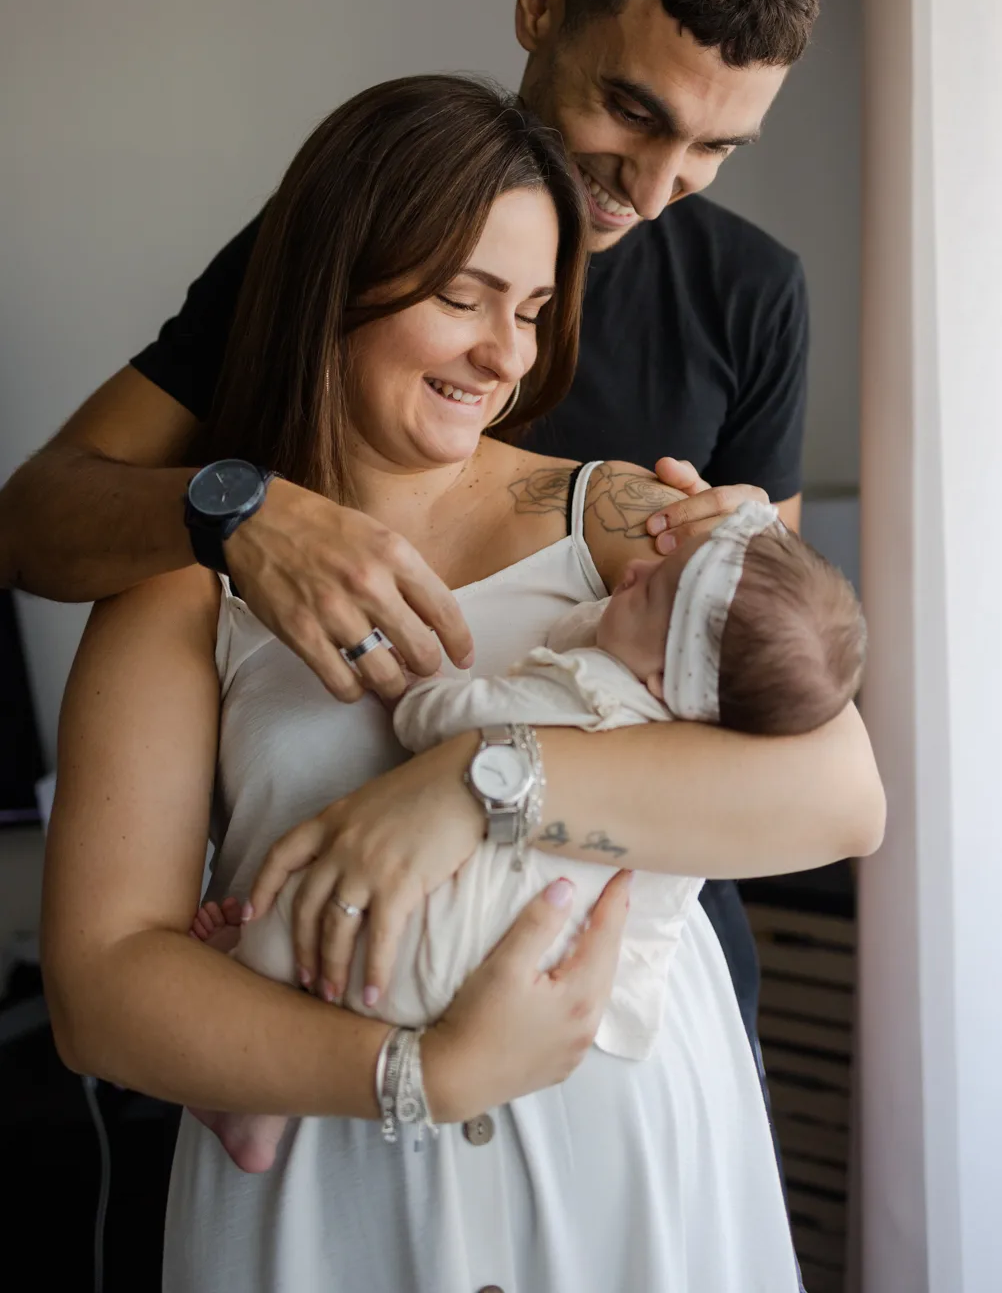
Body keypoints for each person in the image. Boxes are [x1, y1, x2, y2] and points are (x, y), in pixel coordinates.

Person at [5, 0, 822, 1136]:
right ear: (537, 4)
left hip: (629, 982)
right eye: (632, 112)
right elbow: (35, 519)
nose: (656, 189)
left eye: (716, 149)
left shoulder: (748, 300)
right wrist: (240, 511)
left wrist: (474, 780)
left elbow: (764, 694)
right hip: (328, 1011)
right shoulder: (333, 247)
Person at [41, 76, 883, 1293]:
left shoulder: (614, 520)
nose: (505, 355)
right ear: (334, 281)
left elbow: (842, 793)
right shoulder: (188, 577)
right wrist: (423, 1074)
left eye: (533, 310)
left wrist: (475, 778)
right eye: (460, 298)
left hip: (632, 1183)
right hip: (336, 1195)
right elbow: (100, 986)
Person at [191, 496, 867, 1175]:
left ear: (666, 679)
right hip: (555, 973)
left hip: (440, 940)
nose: (630, 572)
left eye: (651, 592)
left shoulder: (591, 689)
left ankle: (251, 1097)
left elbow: (453, 722)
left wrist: (411, 687)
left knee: (302, 904)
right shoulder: (693, 759)